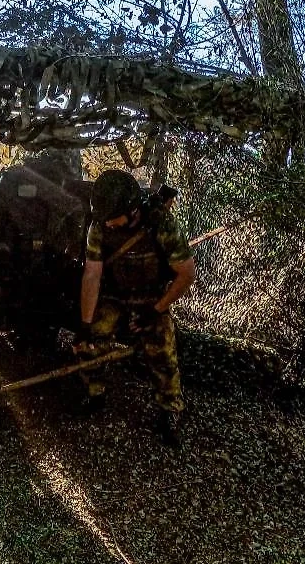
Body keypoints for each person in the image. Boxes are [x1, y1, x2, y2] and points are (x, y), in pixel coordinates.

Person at [78, 169, 195, 445]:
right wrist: (84, 325)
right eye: (103, 219)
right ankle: (95, 393)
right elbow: (92, 275)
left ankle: (170, 409)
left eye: (112, 219)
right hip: (114, 296)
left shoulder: (162, 224)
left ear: (132, 211)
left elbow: (186, 273)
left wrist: (155, 310)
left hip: (151, 299)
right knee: (94, 335)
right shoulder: (99, 225)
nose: (106, 225)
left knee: (163, 347)